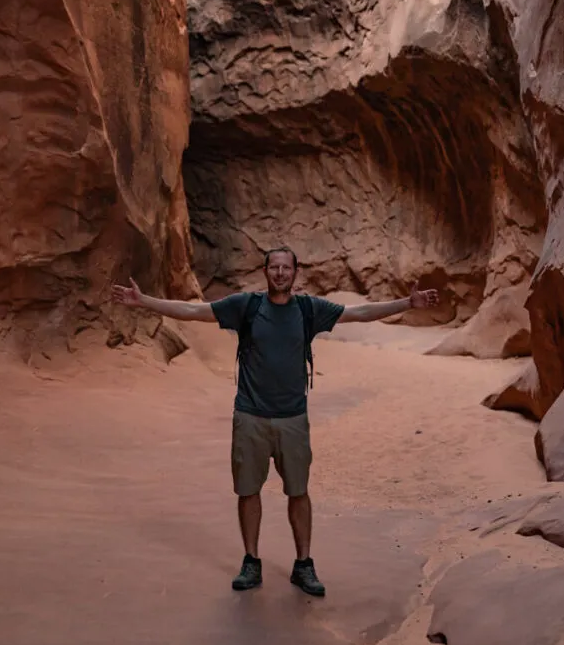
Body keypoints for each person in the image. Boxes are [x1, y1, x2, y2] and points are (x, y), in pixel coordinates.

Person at [111, 247, 438, 597]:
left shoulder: (309, 310)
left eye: (286, 268)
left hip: (293, 419)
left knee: (298, 492)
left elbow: (359, 313)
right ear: (265, 271)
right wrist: (145, 301)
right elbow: (194, 310)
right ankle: (251, 561)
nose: (280, 273)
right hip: (250, 416)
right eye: (274, 267)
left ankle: (303, 565)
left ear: (296, 272)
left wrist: (407, 303)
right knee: (248, 491)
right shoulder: (246, 306)